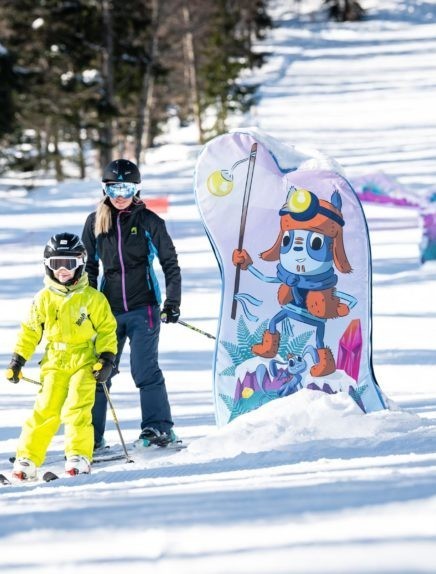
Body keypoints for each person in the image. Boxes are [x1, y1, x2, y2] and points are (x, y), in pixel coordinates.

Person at [81, 159, 182, 451]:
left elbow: (170, 264)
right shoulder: (94, 222)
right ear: (105, 190)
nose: (120, 195)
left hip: (144, 308)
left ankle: (158, 428)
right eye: (113, 188)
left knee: (144, 370)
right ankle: (91, 435)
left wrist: (172, 302)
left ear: (136, 189)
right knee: (100, 371)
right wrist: (89, 307)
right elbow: (88, 267)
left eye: (126, 188)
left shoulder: (149, 221)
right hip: (107, 312)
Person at [5, 233, 117, 480]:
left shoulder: (93, 298)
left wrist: (107, 359)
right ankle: (28, 458)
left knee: (78, 407)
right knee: (46, 408)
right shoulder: (44, 298)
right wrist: (18, 359)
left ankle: (78, 455)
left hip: (85, 360)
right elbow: (31, 331)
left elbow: (108, 330)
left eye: (69, 263)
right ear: (47, 265)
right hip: (55, 361)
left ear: (81, 262)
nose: (63, 270)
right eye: (56, 264)